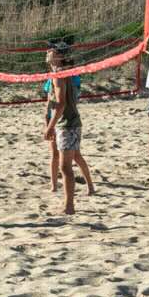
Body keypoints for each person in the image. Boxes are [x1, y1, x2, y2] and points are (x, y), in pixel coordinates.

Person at [43, 44, 95, 215]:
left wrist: (49, 127)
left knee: (65, 167)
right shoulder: (59, 73)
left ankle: (69, 206)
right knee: (69, 162)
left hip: (67, 124)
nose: (48, 52)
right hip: (69, 123)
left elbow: (61, 104)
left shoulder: (59, 74)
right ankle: (73, 200)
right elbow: (54, 103)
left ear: (58, 56)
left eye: (52, 50)